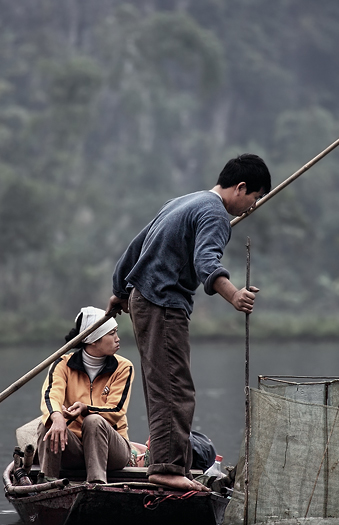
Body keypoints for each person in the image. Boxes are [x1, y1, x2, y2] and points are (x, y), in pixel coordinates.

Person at [106, 153, 271, 492]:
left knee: (161, 384)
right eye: (254, 198)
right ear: (240, 188)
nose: (252, 207)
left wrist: (119, 291)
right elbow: (205, 261)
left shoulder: (183, 202)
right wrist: (234, 296)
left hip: (141, 297)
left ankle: (166, 461)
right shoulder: (215, 214)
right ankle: (166, 468)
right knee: (174, 387)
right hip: (163, 304)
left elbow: (135, 247)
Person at [37, 306, 134, 484]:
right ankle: (47, 483)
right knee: (48, 424)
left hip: (112, 451)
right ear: (93, 341)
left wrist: (85, 409)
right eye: (111, 333)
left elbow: (116, 409)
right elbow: (51, 396)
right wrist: (57, 416)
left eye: (116, 332)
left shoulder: (123, 367)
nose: (117, 338)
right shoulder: (62, 364)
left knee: (93, 420)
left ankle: (96, 484)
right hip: (73, 448)